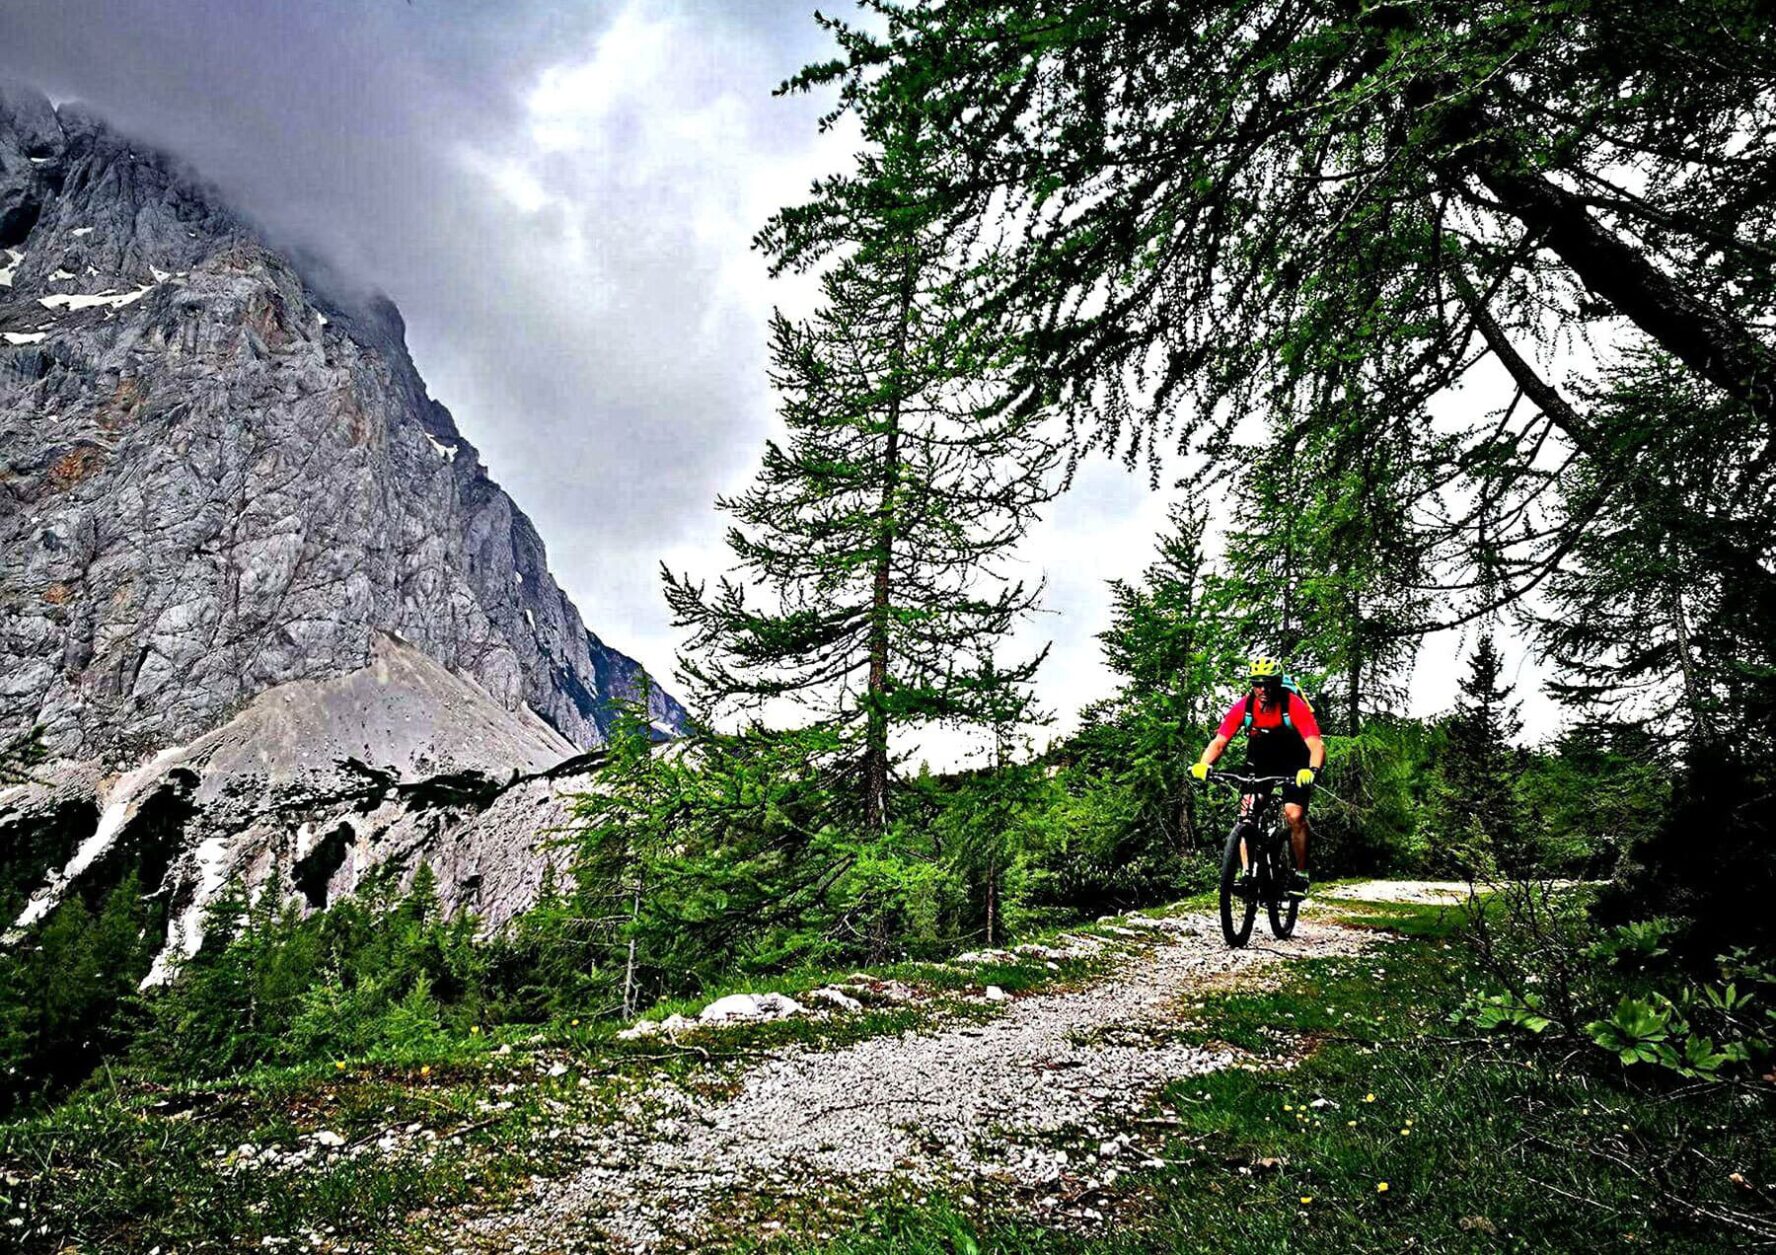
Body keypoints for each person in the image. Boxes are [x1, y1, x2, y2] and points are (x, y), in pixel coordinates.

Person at [1189, 656, 1324, 896]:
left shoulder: (1292, 705)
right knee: (1247, 814)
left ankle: (1301, 874)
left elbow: (1315, 744)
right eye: (1257, 683)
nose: (1263, 689)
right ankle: (1248, 874)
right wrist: (1203, 764)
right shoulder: (1245, 706)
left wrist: (1311, 770)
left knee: (1294, 815)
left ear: (1278, 683)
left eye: (1268, 683)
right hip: (1261, 760)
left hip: (1295, 761)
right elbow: (1220, 741)